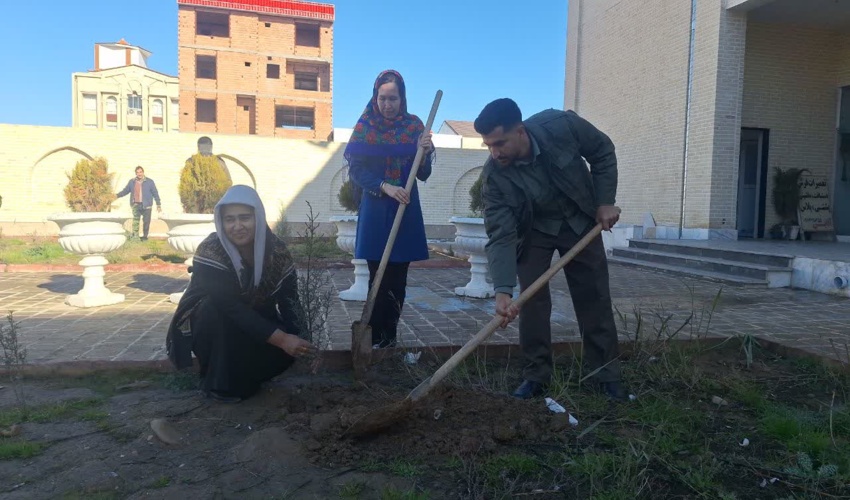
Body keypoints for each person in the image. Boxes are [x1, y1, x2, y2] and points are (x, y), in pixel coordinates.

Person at [473, 98, 627, 401]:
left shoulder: (561, 126)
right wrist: (503, 290)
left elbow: (603, 152)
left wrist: (605, 201)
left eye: (500, 143)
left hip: (580, 220)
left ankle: (605, 373)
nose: (495, 152)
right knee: (531, 300)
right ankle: (536, 375)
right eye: (488, 145)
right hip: (534, 231)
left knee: (593, 296)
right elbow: (501, 235)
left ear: (520, 130)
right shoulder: (494, 177)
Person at [166, 185, 315, 403]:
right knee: (214, 309)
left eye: (245, 218)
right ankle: (217, 384)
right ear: (221, 222)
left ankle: (244, 378)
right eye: (229, 219)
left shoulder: (278, 252)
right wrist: (282, 339)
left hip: (253, 324)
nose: (237, 226)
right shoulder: (211, 251)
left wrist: (303, 345)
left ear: (258, 217)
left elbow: (289, 301)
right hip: (211, 327)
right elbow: (229, 307)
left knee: (280, 351)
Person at [345, 69, 435, 349]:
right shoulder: (365, 128)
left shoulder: (413, 127)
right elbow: (357, 171)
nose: (387, 104)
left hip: (404, 212)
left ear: (402, 98)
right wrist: (386, 186)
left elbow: (423, 174)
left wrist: (425, 152)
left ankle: (389, 340)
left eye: (393, 98)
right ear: (375, 97)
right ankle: (372, 337)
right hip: (376, 210)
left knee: (398, 280)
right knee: (377, 279)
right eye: (382, 98)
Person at [116, 166, 162, 241]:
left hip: (147, 205)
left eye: (140, 172)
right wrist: (116, 195)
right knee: (135, 222)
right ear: (136, 173)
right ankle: (135, 237)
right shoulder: (132, 182)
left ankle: (145, 237)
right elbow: (125, 191)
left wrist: (158, 204)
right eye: (137, 172)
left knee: (146, 222)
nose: (139, 174)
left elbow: (155, 193)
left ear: (143, 172)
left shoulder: (150, 182)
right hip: (136, 205)